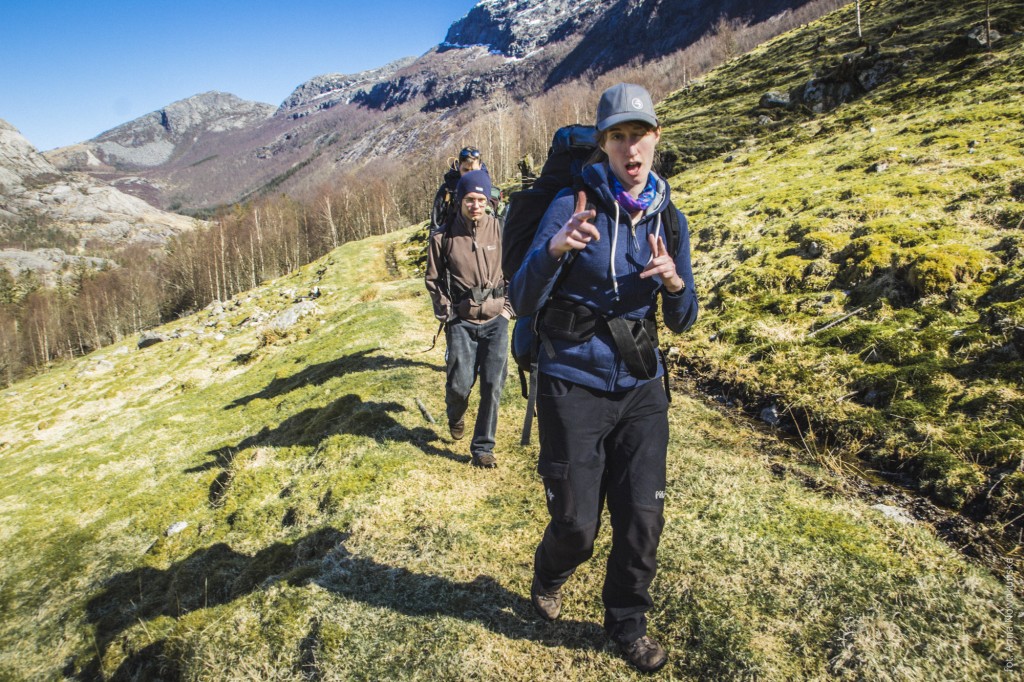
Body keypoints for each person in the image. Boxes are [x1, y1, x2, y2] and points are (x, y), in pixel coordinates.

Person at [508, 83, 698, 673]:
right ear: (604, 145)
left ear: (656, 138)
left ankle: (627, 620)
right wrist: (555, 251)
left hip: (641, 383)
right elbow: (521, 298)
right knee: (576, 525)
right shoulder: (572, 205)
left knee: (643, 516)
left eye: (639, 134)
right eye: (618, 136)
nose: (630, 147)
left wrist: (674, 284)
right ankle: (551, 569)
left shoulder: (670, 217)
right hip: (572, 381)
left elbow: (684, 318)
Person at [425, 169, 512, 468]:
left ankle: (483, 447)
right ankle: (455, 413)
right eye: (470, 199)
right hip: (461, 322)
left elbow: (516, 269)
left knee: (492, 384)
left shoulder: (501, 229)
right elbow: (433, 280)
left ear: (488, 201)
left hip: (496, 319)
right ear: (460, 199)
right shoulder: (443, 236)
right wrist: (446, 311)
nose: (476, 205)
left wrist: (507, 309)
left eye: (481, 199)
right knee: (460, 384)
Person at [430, 147, 501, 232]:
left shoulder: (490, 191)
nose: (470, 174)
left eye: (474, 170)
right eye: (466, 170)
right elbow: (435, 225)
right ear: (459, 166)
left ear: (480, 166)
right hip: (452, 239)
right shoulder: (447, 190)